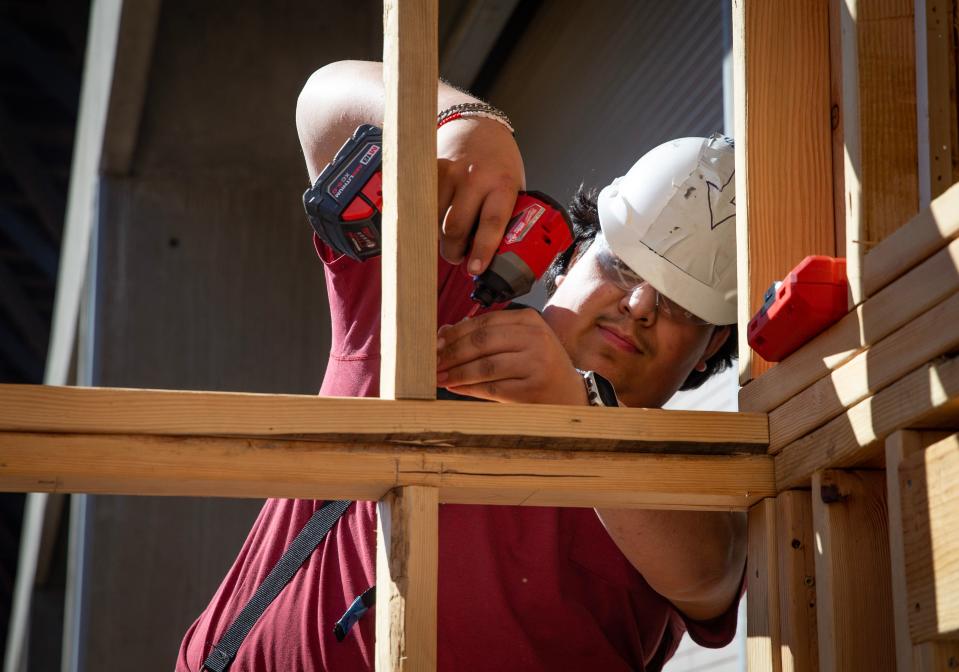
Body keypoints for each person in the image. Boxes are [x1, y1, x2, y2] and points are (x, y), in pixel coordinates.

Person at [177, 60, 746, 672]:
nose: (638, 306)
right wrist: (462, 122)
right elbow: (321, 104)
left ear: (711, 347)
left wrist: (576, 416)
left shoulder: (682, 485)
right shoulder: (443, 313)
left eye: (681, 306)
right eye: (623, 268)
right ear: (574, 252)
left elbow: (710, 577)